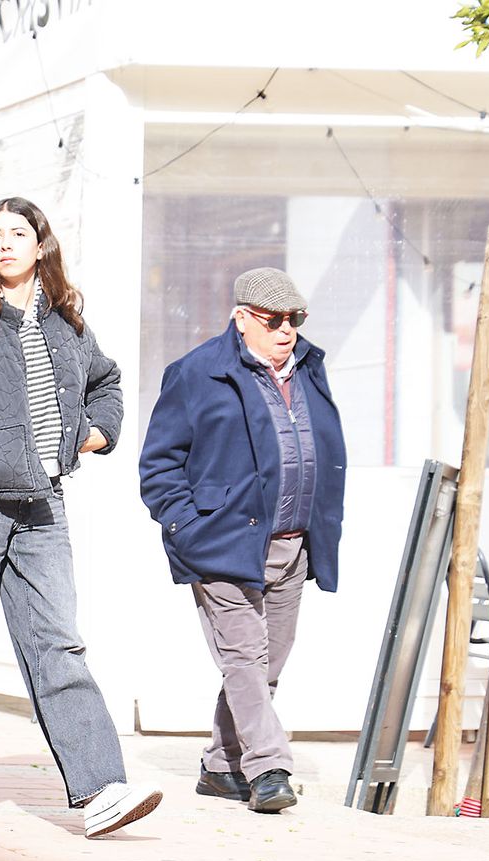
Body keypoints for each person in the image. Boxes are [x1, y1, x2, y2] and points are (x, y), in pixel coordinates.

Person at [0, 196, 161, 838]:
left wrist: (97, 433)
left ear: (41, 244)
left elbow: (106, 384)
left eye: (19, 233)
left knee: (58, 642)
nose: (7, 244)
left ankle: (101, 788)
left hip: (45, 506)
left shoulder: (67, 322)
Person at [138, 267, 347, 814]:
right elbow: (159, 465)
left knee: (265, 666)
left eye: (294, 320)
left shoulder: (308, 370)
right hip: (224, 544)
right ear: (242, 318)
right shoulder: (198, 373)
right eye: (274, 320)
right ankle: (270, 767)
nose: (287, 331)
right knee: (245, 659)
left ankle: (218, 765)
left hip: (294, 545)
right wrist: (189, 526)